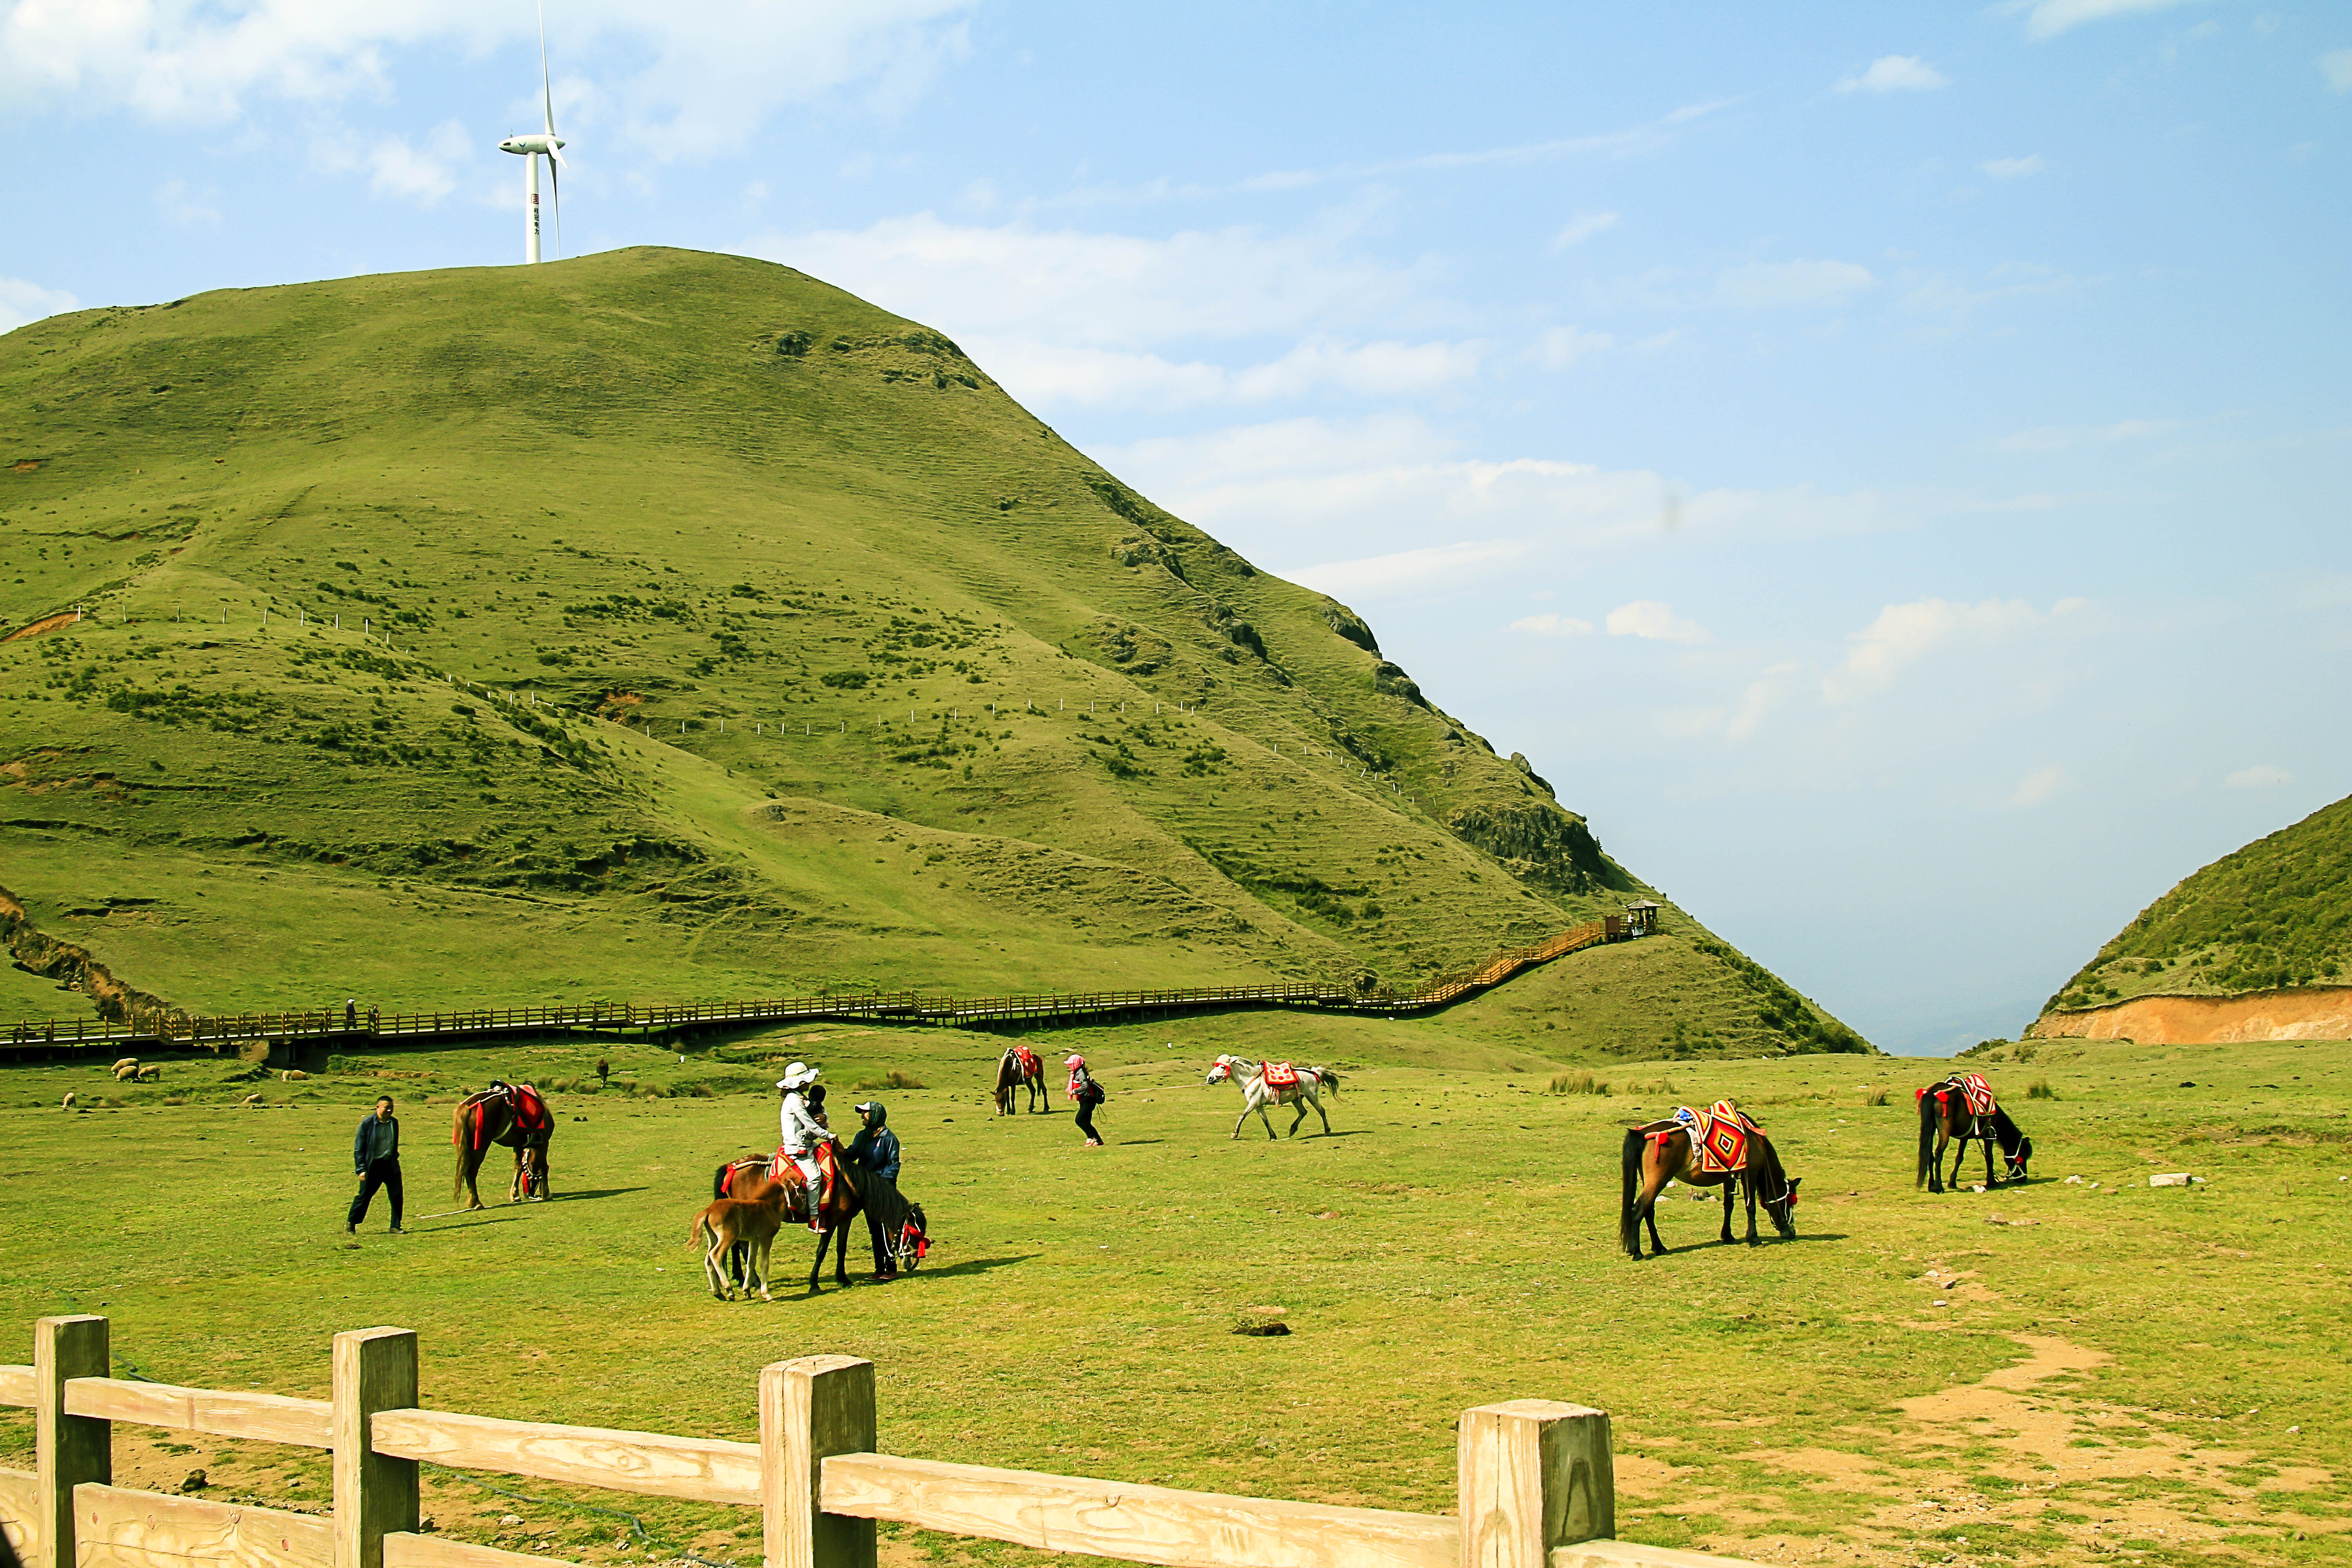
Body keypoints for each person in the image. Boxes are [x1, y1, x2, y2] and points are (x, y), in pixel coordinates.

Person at [849, 1100, 904, 1280]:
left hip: (883, 1191)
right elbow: (852, 1154)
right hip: (867, 1191)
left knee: (886, 1229)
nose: (862, 1116)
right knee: (874, 1231)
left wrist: (882, 1183)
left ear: (876, 1115)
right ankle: (879, 1269)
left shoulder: (889, 1139)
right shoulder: (862, 1136)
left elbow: (894, 1164)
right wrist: (837, 1148)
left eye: (866, 1113)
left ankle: (892, 1269)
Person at [777, 1062, 828, 1229]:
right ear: (801, 1082)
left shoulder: (801, 1098)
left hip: (808, 1143)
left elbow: (816, 1112)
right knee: (815, 1177)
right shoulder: (795, 1101)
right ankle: (814, 1217)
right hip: (798, 1147)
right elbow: (810, 1124)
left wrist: (823, 1117)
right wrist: (828, 1135)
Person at [347, 1095, 404, 1234]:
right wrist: (361, 1169)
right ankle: (351, 1224)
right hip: (373, 1166)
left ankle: (395, 1226)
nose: (390, 1111)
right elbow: (359, 1148)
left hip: (390, 1165)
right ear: (377, 1108)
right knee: (364, 1196)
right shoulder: (367, 1125)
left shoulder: (394, 1123)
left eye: (392, 1108)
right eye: (386, 1108)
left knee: (397, 1195)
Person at [1065, 1054, 1106, 1146]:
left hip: (1088, 1101)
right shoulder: (1077, 1073)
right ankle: (1099, 1141)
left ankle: (1091, 1138)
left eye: (1071, 1064)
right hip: (1085, 1101)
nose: (1070, 1067)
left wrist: (1074, 1091)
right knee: (1087, 1122)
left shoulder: (1081, 1074)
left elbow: (1085, 1087)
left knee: (1079, 1120)